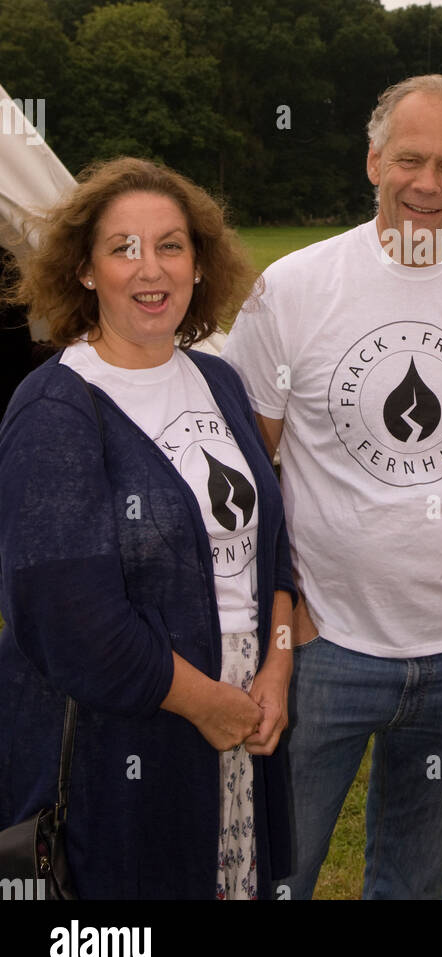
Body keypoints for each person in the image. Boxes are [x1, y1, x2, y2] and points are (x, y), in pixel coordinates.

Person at [224, 73, 442, 900]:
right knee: (271, 878)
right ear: (373, 160)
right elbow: (241, 470)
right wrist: (282, 613)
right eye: (409, 158)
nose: (427, 184)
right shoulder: (291, 291)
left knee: (412, 887)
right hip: (321, 649)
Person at [0, 157, 295, 900]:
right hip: (128, 732)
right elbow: (69, 621)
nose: (149, 268)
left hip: (247, 713)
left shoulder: (218, 379)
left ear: (200, 263)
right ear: (85, 271)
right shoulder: (56, 411)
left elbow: (272, 551)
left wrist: (279, 665)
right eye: (122, 247)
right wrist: (208, 702)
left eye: (170, 245)